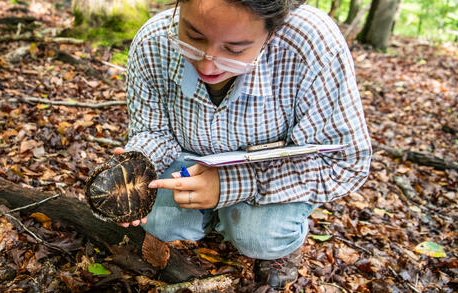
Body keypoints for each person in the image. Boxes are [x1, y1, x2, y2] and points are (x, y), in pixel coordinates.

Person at [114, 0, 372, 289]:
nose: (207, 63)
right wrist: (138, 163)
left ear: (271, 33)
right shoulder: (153, 41)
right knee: (159, 221)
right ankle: (211, 221)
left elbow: (345, 161)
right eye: (194, 36)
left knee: (259, 235)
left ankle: (270, 243)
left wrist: (230, 184)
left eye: (234, 50)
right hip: (188, 160)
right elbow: (153, 129)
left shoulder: (312, 44)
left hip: (271, 171)